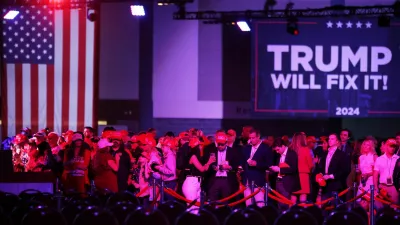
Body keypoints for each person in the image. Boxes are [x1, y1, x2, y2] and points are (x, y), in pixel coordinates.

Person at [241, 128, 274, 207]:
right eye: (250, 138)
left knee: (260, 205)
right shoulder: (247, 148)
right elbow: (242, 162)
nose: (251, 140)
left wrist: (257, 164)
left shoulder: (266, 148)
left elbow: (269, 164)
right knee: (248, 205)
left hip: (259, 182)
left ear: (258, 137)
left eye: (253, 138)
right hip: (247, 182)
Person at [315, 133, 350, 201]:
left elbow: (345, 170)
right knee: (325, 207)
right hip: (325, 185)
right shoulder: (325, 154)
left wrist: (331, 176)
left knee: (336, 207)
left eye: (332, 139)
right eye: (329, 139)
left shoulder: (342, 154)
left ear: (337, 141)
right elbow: (321, 168)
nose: (330, 140)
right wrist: (321, 174)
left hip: (337, 185)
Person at [270, 138, 300, 211]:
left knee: (285, 205)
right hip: (278, 182)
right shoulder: (279, 155)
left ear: (283, 146)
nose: (277, 152)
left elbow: (294, 169)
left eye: (278, 149)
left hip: (287, 184)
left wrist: (279, 169)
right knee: (280, 205)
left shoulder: (292, 154)